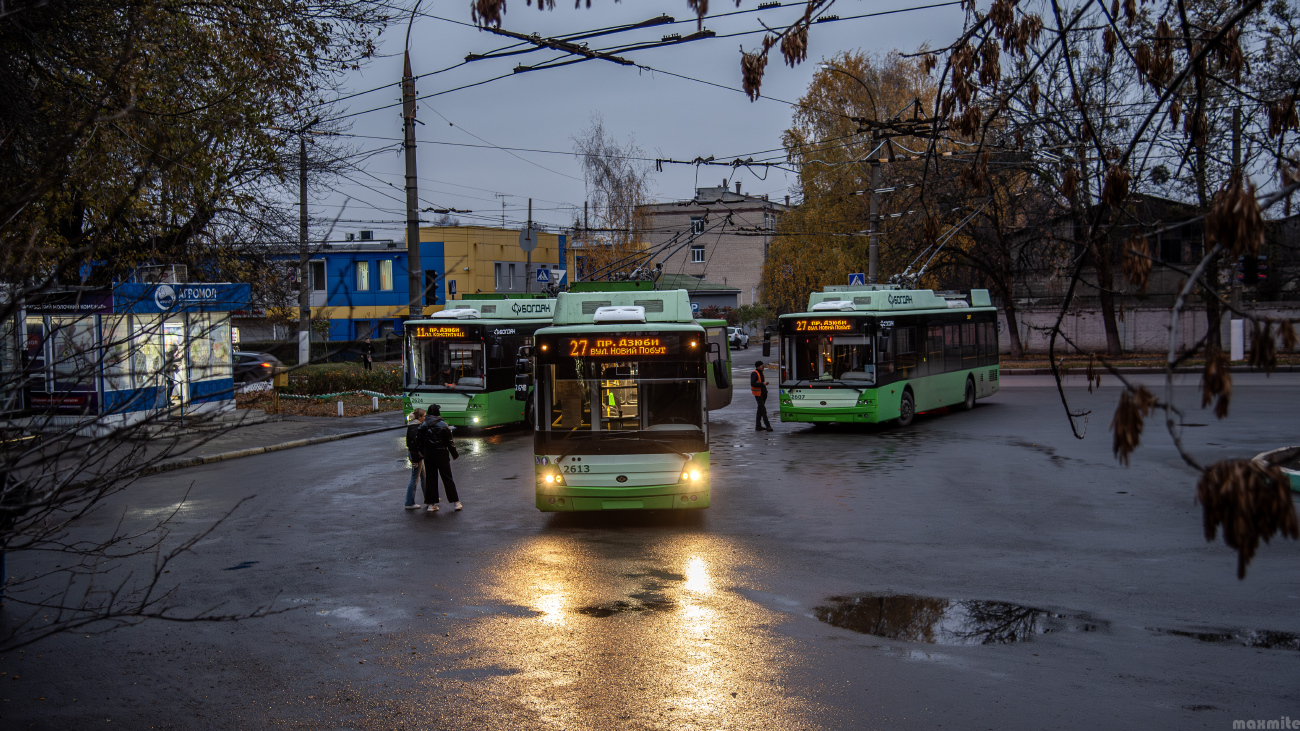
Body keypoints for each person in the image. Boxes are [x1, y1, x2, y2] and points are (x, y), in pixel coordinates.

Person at [416, 403, 461, 512]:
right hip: (441, 454)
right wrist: (454, 454)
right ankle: (456, 503)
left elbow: (419, 442)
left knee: (431, 479)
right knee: (447, 478)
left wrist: (423, 452)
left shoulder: (423, 426)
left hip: (429, 455)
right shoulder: (443, 425)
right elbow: (450, 442)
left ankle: (431, 504)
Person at [403, 408, 426, 510]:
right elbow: (413, 445)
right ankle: (409, 502)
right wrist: (415, 460)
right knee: (415, 479)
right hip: (417, 456)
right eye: (424, 416)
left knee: (424, 477)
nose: (425, 418)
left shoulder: (414, 426)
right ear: (419, 417)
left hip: (417, 455)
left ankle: (429, 497)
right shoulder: (415, 428)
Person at [751, 360, 773, 431]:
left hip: (762, 394)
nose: (763, 367)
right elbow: (753, 383)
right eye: (762, 366)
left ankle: (758, 426)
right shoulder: (755, 373)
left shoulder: (760, 373)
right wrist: (762, 383)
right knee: (763, 410)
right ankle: (768, 426)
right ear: (759, 366)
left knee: (760, 410)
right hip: (758, 395)